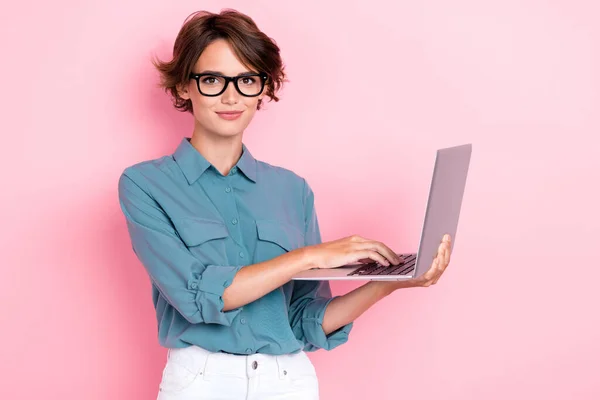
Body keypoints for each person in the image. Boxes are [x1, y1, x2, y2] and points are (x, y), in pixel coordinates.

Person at [118, 8, 452, 400]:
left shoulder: (292, 189)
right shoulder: (146, 184)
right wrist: (309, 257)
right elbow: (200, 298)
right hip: (202, 382)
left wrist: (387, 285)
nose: (231, 96)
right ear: (182, 88)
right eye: (212, 79)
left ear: (264, 89)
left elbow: (305, 320)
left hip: (288, 383)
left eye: (247, 80)